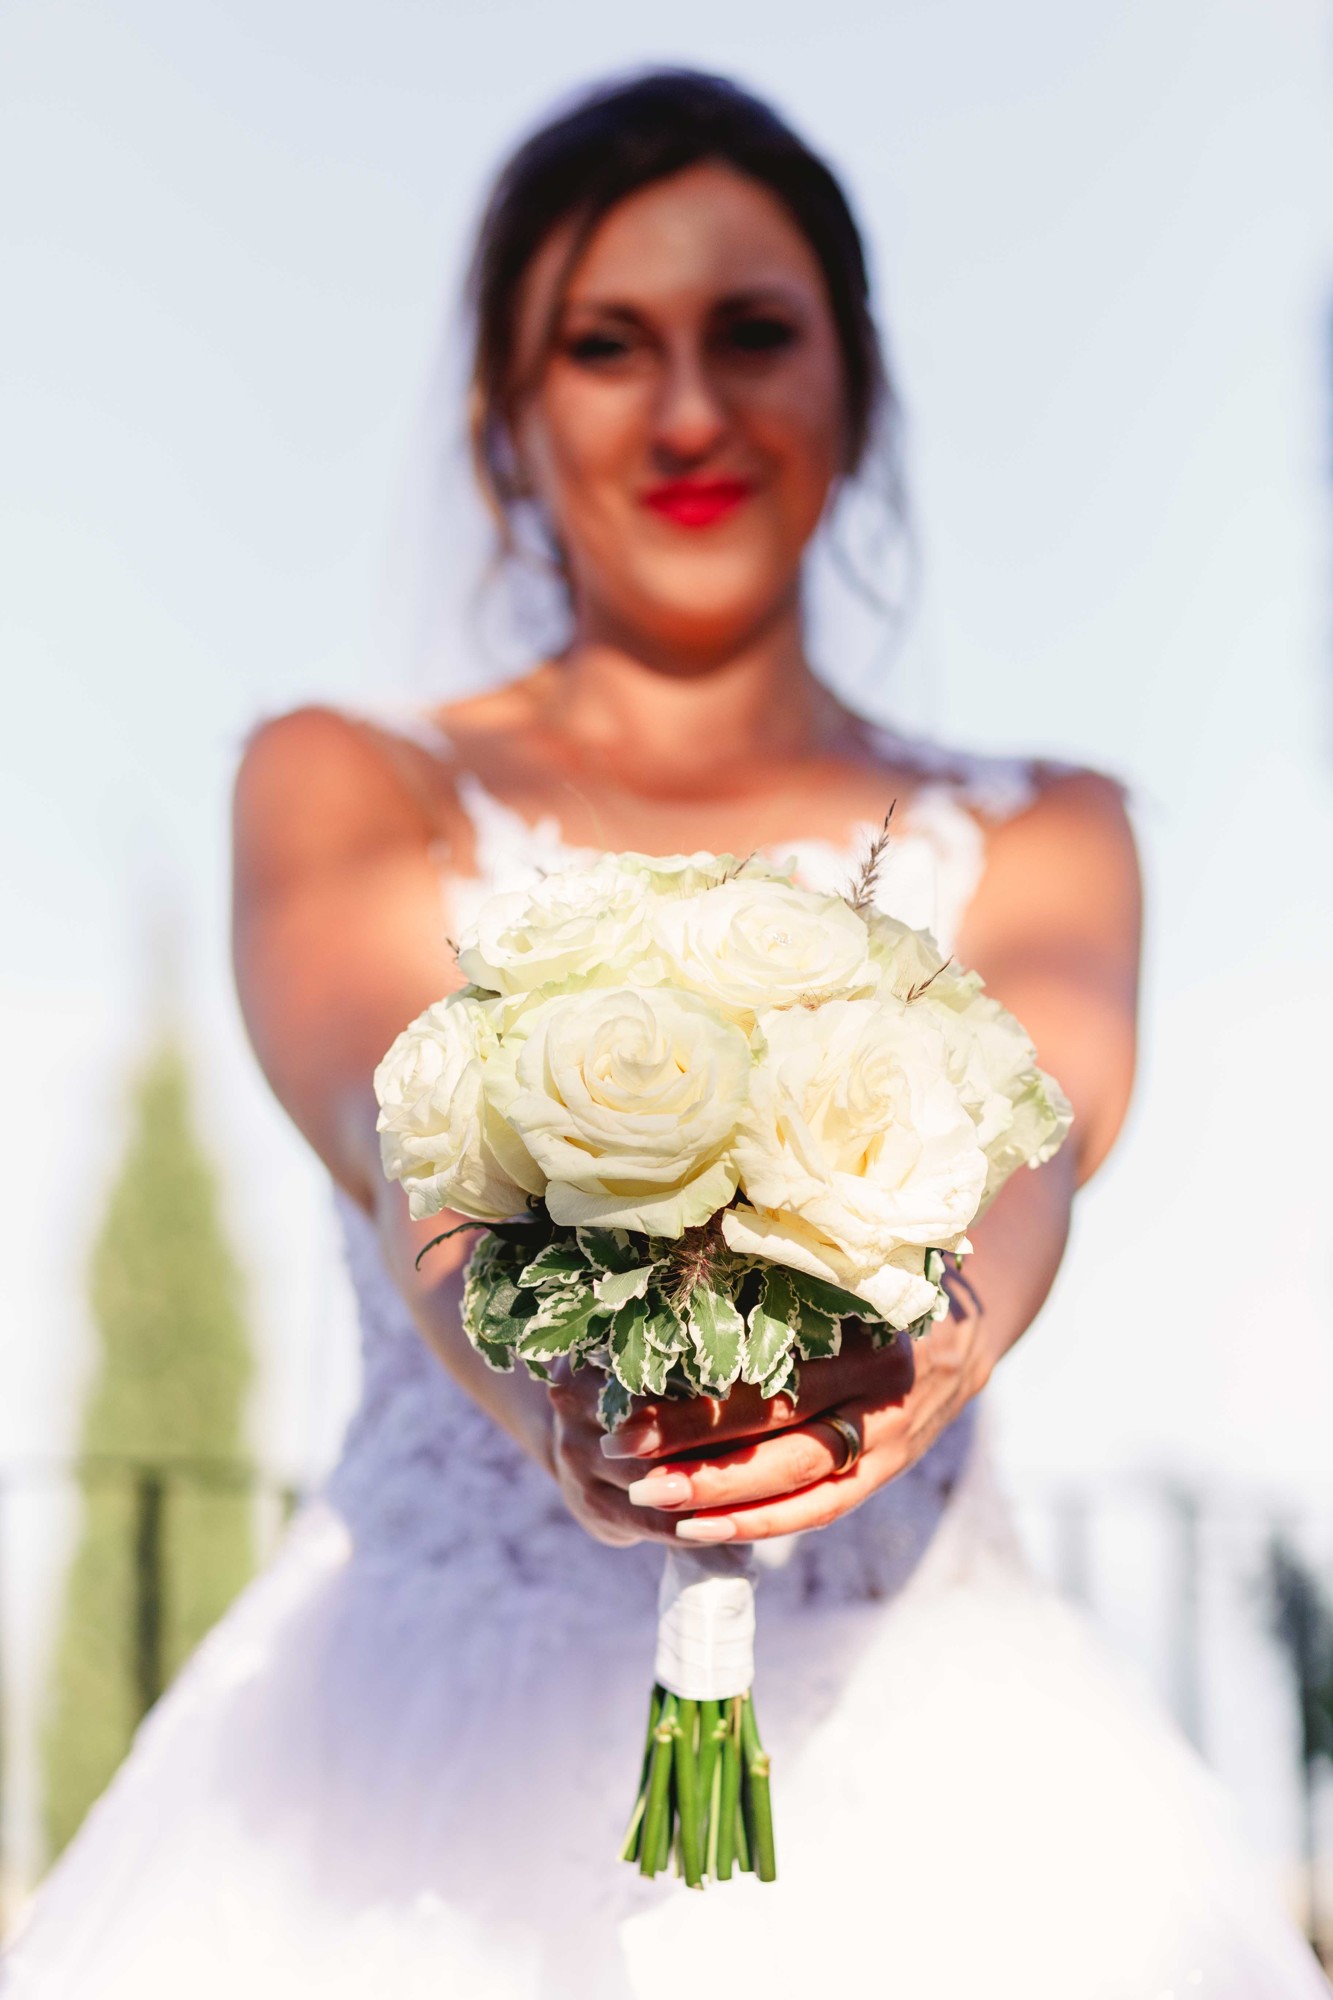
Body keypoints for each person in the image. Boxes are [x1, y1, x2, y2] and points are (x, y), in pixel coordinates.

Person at [4, 68, 1326, 2000]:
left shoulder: (1045, 826)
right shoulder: (341, 780)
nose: (690, 412)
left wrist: (933, 1339)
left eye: (754, 335)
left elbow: (1033, 1132)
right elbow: (404, 1136)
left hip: (948, 1773)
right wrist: (553, 1392)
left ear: (854, 393)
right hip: (402, 1756)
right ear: (507, 422)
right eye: (607, 346)